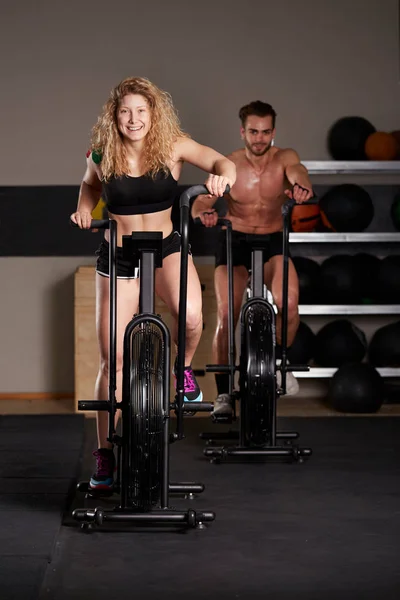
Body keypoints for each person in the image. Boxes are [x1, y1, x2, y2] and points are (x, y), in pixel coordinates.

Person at [71, 77, 236, 490]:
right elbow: (89, 185)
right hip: (120, 254)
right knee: (113, 358)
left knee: (193, 317)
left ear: (154, 113)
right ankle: (105, 454)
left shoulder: (174, 144)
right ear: (115, 114)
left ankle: (181, 371)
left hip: (165, 249)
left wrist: (220, 180)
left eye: (141, 111)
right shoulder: (102, 151)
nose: (133, 119)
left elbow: (223, 163)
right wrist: (82, 209)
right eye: (125, 111)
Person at [191, 100, 314, 416]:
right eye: (253, 132)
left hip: (273, 239)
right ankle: (223, 396)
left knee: (287, 304)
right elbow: (203, 199)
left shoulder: (284, 158)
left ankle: (278, 364)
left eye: (266, 132)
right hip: (236, 240)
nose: (260, 138)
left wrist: (302, 187)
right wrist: (203, 211)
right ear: (242, 131)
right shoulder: (229, 164)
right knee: (225, 314)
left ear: (273, 131)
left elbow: (299, 173)